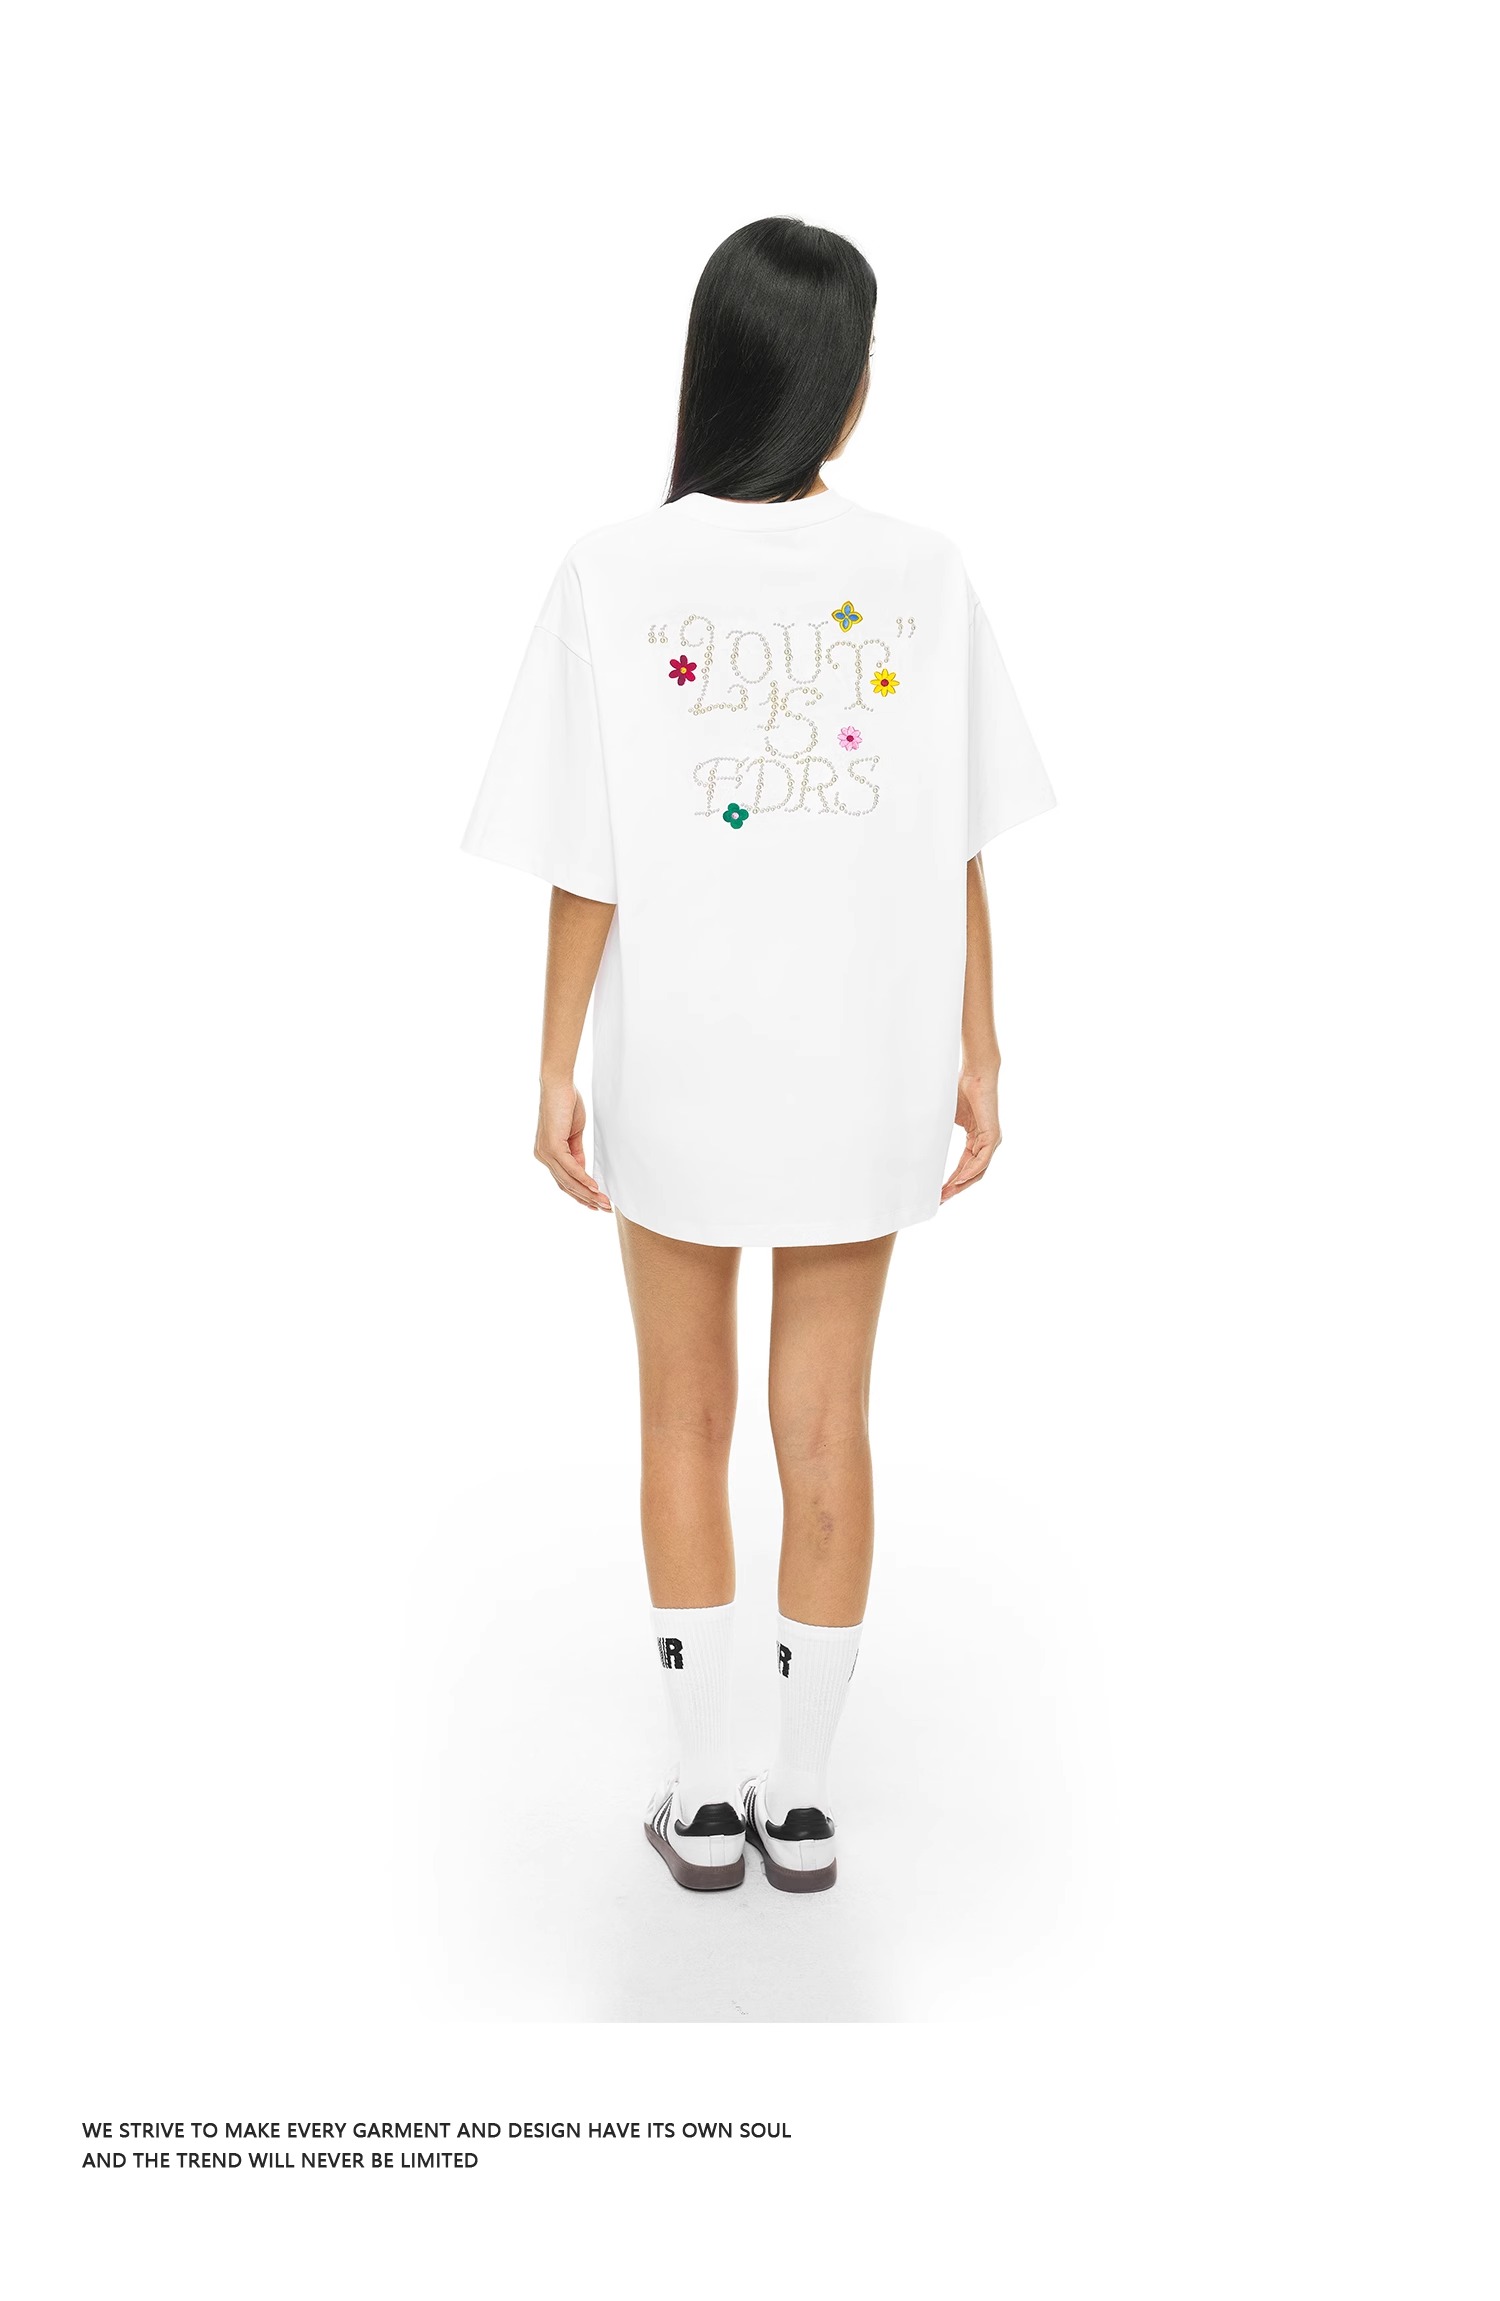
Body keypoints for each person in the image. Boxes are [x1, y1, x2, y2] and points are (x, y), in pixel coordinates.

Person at [463, 217, 1054, 1895]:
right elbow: (952, 834)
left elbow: (587, 856)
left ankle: (701, 1791)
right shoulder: (923, 571)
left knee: (684, 1408)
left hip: (684, 1058)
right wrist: (981, 1045)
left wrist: (553, 1063)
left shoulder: (613, 569)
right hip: (865, 1057)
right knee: (826, 1423)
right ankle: (799, 1799)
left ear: (714, 368)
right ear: (845, 386)